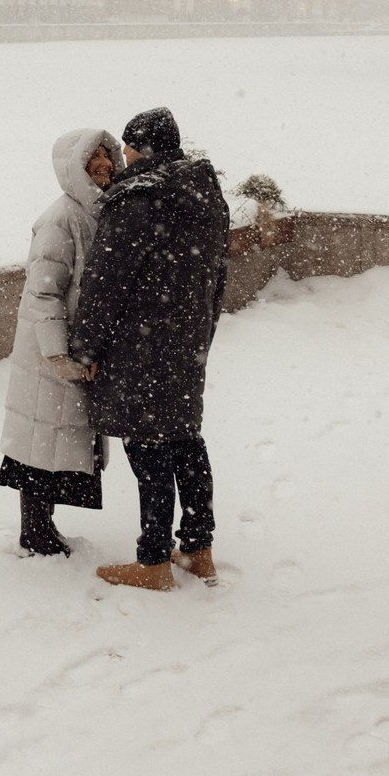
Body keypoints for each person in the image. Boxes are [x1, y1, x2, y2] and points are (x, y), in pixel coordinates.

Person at [69, 106, 231, 592]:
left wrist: (86, 346)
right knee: (185, 441)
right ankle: (199, 549)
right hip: (186, 343)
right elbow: (218, 277)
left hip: (139, 345)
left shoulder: (138, 199)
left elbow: (105, 283)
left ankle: (153, 561)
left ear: (142, 146)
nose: (122, 156)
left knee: (148, 449)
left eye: (126, 146)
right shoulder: (207, 196)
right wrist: (201, 333)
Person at [0, 127, 121, 555]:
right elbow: (43, 291)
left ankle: (41, 526)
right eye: (93, 158)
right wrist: (56, 352)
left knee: (53, 440)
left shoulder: (97, 212)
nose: (104, 163)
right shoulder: (61, 218)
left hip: (76, 346)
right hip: (52, 350)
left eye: (108, 155)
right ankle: (34, 530)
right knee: (39, 441)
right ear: (75, 168)